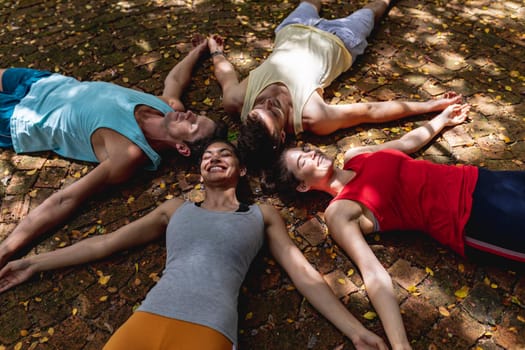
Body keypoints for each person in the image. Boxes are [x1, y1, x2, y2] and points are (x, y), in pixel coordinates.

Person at [0, 139, 389, 350]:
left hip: (208, 330)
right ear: (200, 171)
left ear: (239, 171)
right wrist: (36, 263)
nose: (214, 158)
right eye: (208, 155)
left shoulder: (262, 214)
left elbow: (305, 276)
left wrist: (354, 331)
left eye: (225, 154)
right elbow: (107, 243)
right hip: (146, 321)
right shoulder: (174, 209)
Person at [278, 103, 525, 348]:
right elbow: (372, 272)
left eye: (307, 149)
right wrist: (400, 344)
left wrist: (442, 119)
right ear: (303, 186)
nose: (312, 154)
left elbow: (407, 143)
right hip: (471, 219)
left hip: (482, 180)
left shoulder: (356, 155)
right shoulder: (340, 212)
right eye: (302, 162)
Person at [0, 35, 228, 269]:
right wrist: (202, 50)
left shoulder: (129, 154)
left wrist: (6, 250)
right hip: (45, 83)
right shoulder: (168, 105)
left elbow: (65, 200)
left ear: (182, 147)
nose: (189, 115)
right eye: (196, 115)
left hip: (18, 117)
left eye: (193, 125)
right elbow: (177, 78)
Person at [207, 0, 464, 171]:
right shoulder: (313, 117)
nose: (268, 101)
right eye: (273, 111)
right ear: (283, 135)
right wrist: (431, 105)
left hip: (292, 29)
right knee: (375, 9)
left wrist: (215, 52)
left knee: (310, 2)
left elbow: (226, 75)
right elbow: (370, 112)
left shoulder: (236, 101)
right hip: (341, 38)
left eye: (259, 105)